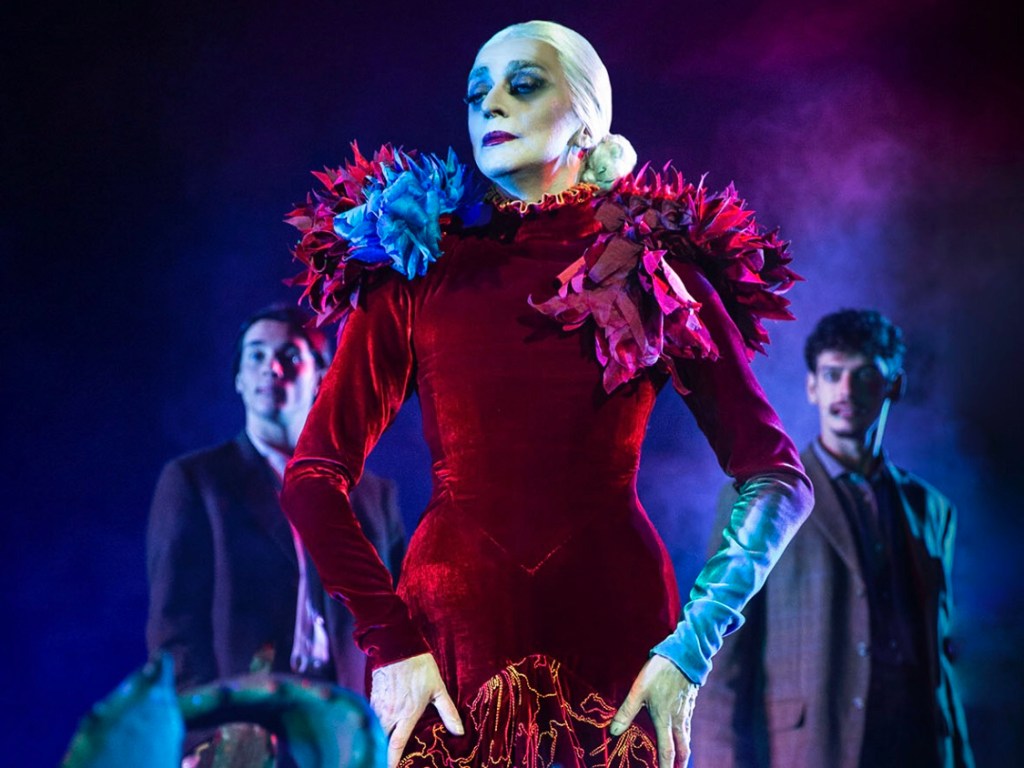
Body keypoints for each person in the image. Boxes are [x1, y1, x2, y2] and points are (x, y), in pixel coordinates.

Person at [281, 21, 813, 768]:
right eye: (476, 95)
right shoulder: (415, 269)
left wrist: (692, 647)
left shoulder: (655, 267)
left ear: (588, 118)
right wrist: (390, 641)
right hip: (445, 654)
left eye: (523, 85)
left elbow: (778, 478)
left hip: (620, 647)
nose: (491, 105)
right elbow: (312, 478)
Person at [692, 309, 974, 768]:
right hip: (813, 751)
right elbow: (723, 665)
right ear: (812, 387)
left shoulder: (932, 508)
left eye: (864, 375)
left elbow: (941, 660)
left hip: (920, 750)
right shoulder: (765, 499)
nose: (846, 391)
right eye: (832, 374)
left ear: (894, 385)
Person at [146, 305, 406, 759]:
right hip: (243, 729)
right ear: (238, 378)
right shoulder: (198, 481)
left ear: (321, 375)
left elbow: (401, 611)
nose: (271, 368)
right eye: (256, 355)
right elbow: (175, 626)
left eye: (289, 355)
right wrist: (199, 737)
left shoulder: (371, 494)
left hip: (347, 727)